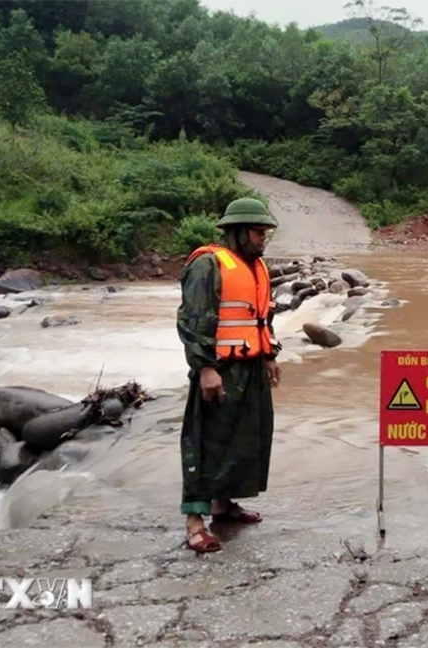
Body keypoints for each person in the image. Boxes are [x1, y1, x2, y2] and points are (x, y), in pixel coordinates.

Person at [175, 197, 283, 553]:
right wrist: (205, 368)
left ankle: (223, 505)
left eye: (265, 233)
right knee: (207, 442)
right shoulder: (208, 264)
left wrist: (268, 356)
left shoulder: (256, 266)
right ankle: (195, 523)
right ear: (237, 232)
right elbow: (192, 321)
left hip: (250, 367)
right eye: (257, 232)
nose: (263, 239)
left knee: (246, 438)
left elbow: (260, 318)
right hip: (218, 368)